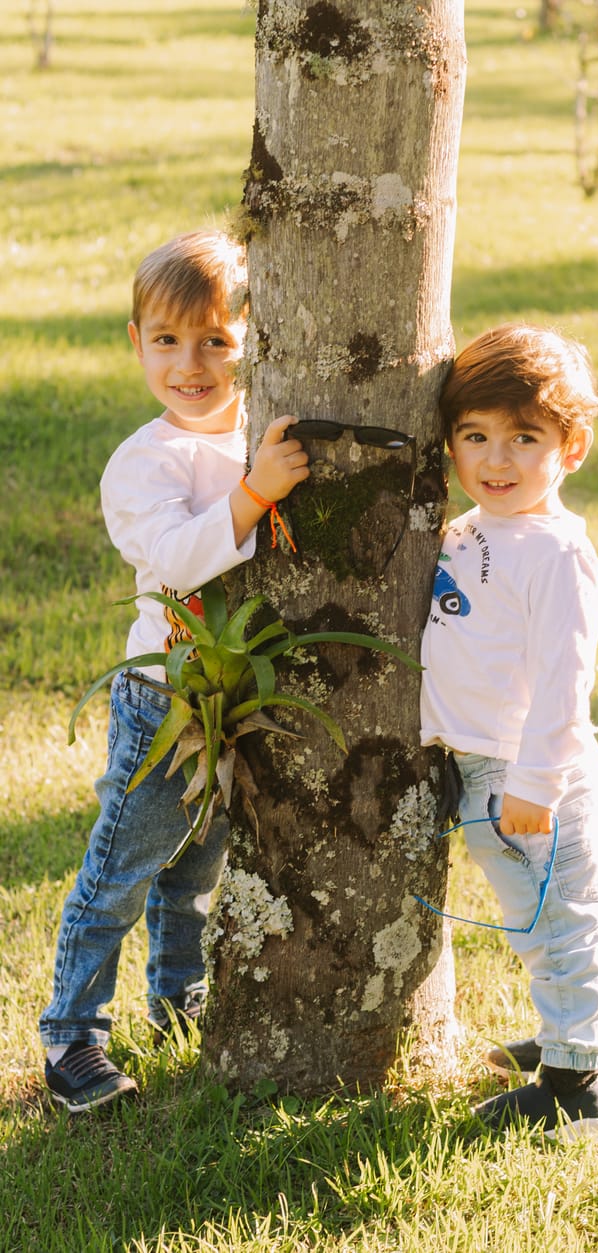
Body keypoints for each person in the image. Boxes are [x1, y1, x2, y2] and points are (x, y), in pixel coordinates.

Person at [40, 230, 309, 1112]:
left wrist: (260, 475)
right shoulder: (142, 461)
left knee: (197, 869)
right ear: (136, 342)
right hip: (163, 696)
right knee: (123, 865)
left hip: (235, 697)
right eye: (167, 340)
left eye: (215, 342)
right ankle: (73, 1036)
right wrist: (254, 493)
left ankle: (177, 1000)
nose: (189, 364)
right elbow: (179, 557)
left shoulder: (256, 432)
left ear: (250, 345)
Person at [420, 323, 598, 1141]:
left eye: (524, 439)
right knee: (534, 925)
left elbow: (566, 683)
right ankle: (571, 1033)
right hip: (480, 768)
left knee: (564, 919)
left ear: (570, 449)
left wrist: (537, 784)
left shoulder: (556, 553)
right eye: (476, 437)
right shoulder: (471, 530)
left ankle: (577, 1091)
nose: (496, 461)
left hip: (534, 778)